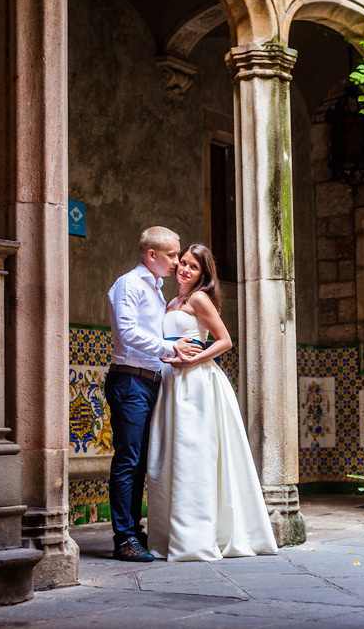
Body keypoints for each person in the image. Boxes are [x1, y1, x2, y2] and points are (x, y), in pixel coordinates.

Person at [146, 243, 278, 561]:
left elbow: (225, 340)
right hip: (171, 382)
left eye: (194, 267)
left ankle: (197, 538)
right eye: (184, 264)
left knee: (194, 455)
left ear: (203, 274)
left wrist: (194, 361)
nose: (186, 270)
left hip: (197, 384)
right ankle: (169, 536)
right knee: (169, 456)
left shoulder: (198, 298)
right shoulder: (170, 302)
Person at [104, 227, 201, 562]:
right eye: (172, 255)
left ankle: (133, 528)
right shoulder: (129, 285)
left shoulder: (156, 290)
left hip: (150, 381)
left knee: (143, 461)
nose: (177, 262)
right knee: (128, 460)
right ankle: (124, 538)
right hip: (129, 382)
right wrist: (170, 346)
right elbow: (128, 333)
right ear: (152, 255)